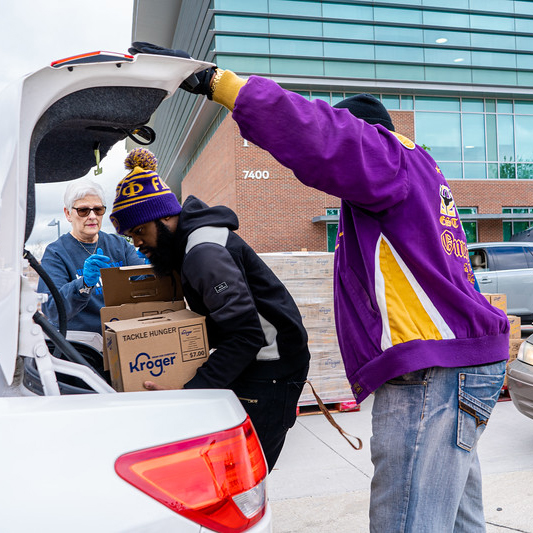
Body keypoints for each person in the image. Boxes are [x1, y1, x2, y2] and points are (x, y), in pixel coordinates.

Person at [127, 42, 510, 531]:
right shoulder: (421, 185)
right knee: (457, 521)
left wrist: (217, 84)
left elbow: (324, 136)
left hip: (430, 372)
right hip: (460, 367)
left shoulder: (386, 155)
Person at [109, 147, 310, 472]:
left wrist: (191, 393)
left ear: (162, 217)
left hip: (273, 367)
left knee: (245, 473)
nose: (138, 243)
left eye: (139, 232)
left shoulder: (203, 253)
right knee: (226, 469)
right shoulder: (186, 244)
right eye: (131, 237)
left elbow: (246, 336)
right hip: (255, 361)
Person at [37, 180, 144, 338]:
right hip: (83, 346)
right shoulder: (56, 254)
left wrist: (154, 268)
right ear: (68, 214)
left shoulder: (119, 245)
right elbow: (52, 309)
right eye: (83, 211)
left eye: (98, 209)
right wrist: (83, 285)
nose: (92, 216)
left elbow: (143, 286)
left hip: (123, 337)